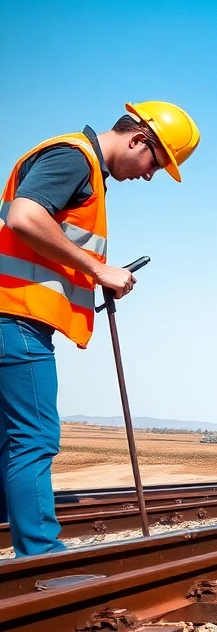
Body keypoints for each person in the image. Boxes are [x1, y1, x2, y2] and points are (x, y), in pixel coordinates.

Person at [0, 102, 200, 557]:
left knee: (8, 441)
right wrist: (98, 269)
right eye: (156, 162)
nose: (150, 176)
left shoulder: (80, 166)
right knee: (33, 438)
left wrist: (94, 273)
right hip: (16, 317)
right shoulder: (75, 158)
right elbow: (25, 217)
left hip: (13, 314)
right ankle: (40, 559)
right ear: (136, 140)